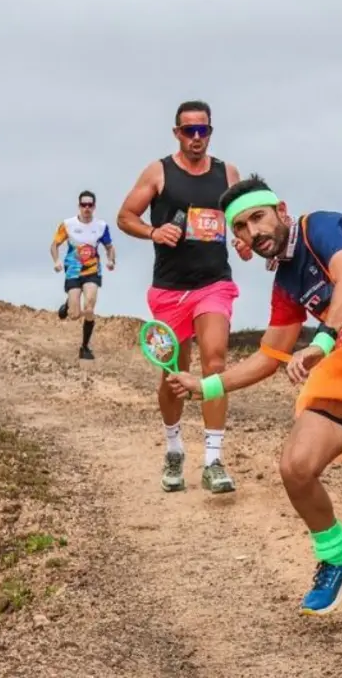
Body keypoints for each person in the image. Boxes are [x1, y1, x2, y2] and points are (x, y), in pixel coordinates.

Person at [166, 176, 342, 633]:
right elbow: (269, 356)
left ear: (280, 210)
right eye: (240, 227)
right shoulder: (285, 280)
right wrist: (207, 386)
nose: (253, 231)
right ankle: (337, 558)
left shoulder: (320, 227)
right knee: (295, 467)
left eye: (257, 217)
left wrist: (320, 343)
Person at [116, 100, 254, 495]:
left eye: (203, 130)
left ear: (211, 131)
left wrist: (244, 244)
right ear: (176, 132)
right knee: (175, 372)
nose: (197, 138)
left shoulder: (227, 173)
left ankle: (213, 459)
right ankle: (174, 448)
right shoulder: (159, 171)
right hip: (169, 290)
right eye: (189, 131)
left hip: (214, 283)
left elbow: (239, 220)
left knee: (215, 362)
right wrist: (154, 232)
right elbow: (126, 216)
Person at [51, 190, 115, 360]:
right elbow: (55, 244)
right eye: (83, 204)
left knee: (89, 307)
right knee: (74, 314)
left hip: (92, 271)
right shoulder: (68, 224)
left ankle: (85, 347)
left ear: (94, 207)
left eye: (90, 205)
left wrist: (111, 260)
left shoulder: (100, 226)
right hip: (73, 270)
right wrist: (56, 261)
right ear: (79, 206)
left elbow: (109, 246)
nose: (87, 208)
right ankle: (68, 304)